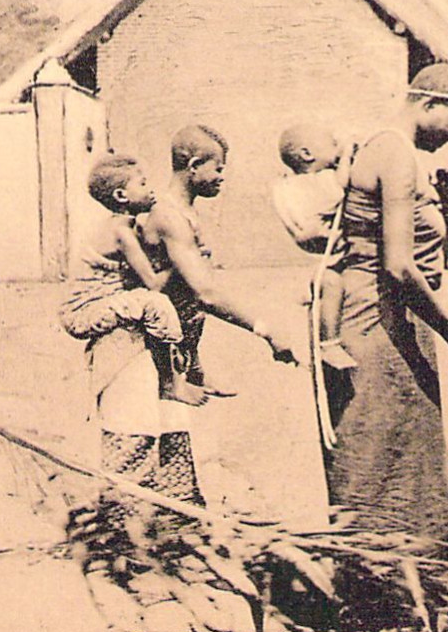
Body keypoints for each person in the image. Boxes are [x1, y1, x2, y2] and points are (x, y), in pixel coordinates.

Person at [323, 63, 448, 562]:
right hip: (379, 322)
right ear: (430, 104)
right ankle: (384, 588)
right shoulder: (395, 154)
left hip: (388, 318)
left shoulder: (381, 146)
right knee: (379, 453)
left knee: (397, 454)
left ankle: (399, 590)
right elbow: (398, 265)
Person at [90, 124, 298, 504]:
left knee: (176, 473)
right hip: (133, 354)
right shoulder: (167, 217)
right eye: (218, 169)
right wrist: (265, 329)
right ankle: (115, 551)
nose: (222, 177)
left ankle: (167, 549)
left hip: (167, 356)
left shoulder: (181, 214)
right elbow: (204, 292)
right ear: (194, 165)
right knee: (129, 460)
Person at [60, 154, 198, 407]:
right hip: (83, 311)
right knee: (155, 304)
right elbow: (153, 282)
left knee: (171, 304)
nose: (151, 189)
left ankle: (192, 369)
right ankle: (169, 383)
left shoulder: (130, 228)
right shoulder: (122, 233)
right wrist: (183, 264)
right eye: (143, 184)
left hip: (104, 302)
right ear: (122, 197)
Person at [271, 123, 358, 371]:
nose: (337, 148)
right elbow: (340, 188)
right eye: (332, 143)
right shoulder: (317, 182)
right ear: (308, 154)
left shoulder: (291, 186)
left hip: (323, 249)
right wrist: (348, 154)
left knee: (327, 287)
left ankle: (313, 345)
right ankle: (328, 343)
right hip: (330, 249)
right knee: (332, 284)